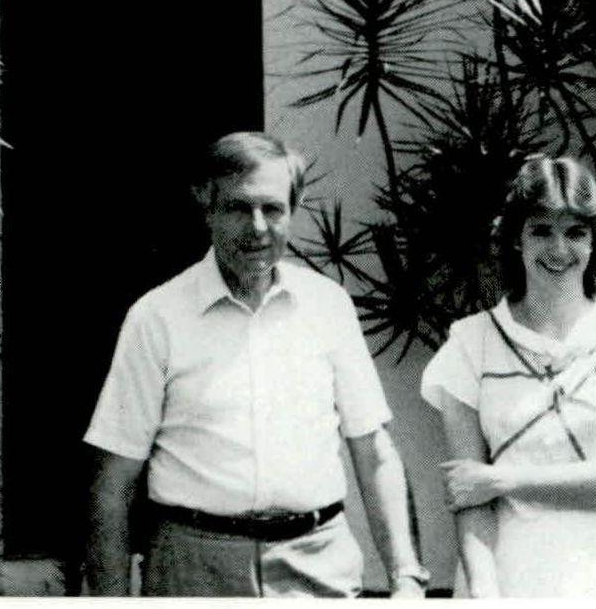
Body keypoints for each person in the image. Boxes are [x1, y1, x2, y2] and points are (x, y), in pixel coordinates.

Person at [83, 132, 429, 597]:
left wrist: (407, 577)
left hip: (317, 566)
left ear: (293, 209)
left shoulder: (328, 306)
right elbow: (113, 481)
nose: (258, 228)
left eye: (273, 209)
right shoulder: (157, 317)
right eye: (238, 208)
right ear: (207, 206)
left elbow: (374, 450)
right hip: (194, 569)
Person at [418, 156, 596, 597]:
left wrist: (502, 481)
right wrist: (483, 590)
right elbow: (467, 495)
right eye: (541, 231)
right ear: (516, 239)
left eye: (575, 232)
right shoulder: (470, 342)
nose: (559, 250)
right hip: (505, 575)